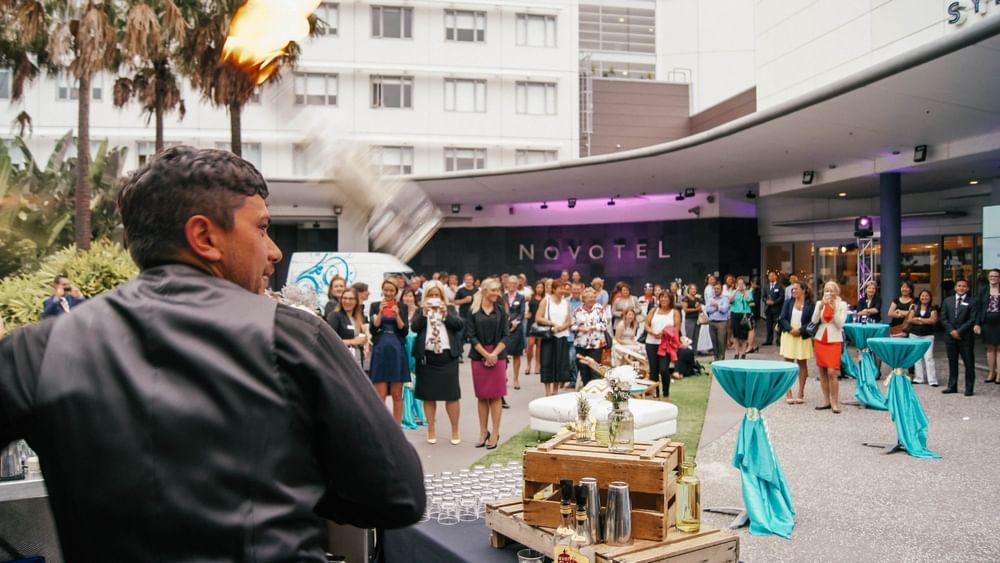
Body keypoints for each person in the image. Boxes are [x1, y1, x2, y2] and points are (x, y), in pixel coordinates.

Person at [0, 147, 424, 561]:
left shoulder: (37, 350)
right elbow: (397, 495)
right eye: (261, 228)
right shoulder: (292, 338)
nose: (274, 250)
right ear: (204, 237)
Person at [410, 282, 463, 445]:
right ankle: (431, 429)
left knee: (452, 396)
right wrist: (424, 314)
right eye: (431, 295)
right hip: (428, 358)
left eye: (437, 295)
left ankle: (455, 429)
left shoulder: (450, 308)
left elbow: (459, 325)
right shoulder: (422, 310)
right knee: (428, 396)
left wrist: (446, 314)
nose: (434, 298)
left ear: (442, 296)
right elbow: (415, 327)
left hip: (447, 356)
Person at [466, 278, 512, 449]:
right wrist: (485, 354)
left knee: (495, 396)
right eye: (493, 290)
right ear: (484, 291)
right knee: (482, 396)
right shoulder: (473, 311)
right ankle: (483, 431)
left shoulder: (501, 311)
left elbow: (506, 335)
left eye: (498, 290)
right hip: (479, 357)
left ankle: (495, 432)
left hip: (498, 356)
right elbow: (471, 336)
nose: (497, 293)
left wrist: (493, 354)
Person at [369, 279, 410, 424]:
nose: (388, 293)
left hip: (397, 350)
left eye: (391, 290)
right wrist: (380, 312)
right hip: (380, 349)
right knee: (380, 394)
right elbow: (373, 329)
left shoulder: (402, 307)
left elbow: (404, 331)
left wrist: (398, 314)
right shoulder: (375, 306)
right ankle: (382, 425)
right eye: (386, 290)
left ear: (396, 292)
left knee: (397, 394)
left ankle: (397, 426)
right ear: (382, 290)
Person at [811, 280, 848, 413]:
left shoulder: (842, 304)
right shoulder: (819, 303)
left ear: (837, 291)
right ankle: (826, 400)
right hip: (820, 338)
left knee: (832, 372)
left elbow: (840, 324)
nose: (829, 293)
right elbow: (814, 320)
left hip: (834, 339)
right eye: (827, 290)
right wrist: (821, 306)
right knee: (822, 371)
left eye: (832, 290)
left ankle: (835, 402)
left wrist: (832, 309)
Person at [779, 281, 814, 404]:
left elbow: (812, 322)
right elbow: (782, 318)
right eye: (792, 289)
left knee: (802, 363)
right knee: (788, 364)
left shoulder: (810, 304)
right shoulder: (788, 303)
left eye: (796, 289)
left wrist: (800, 330)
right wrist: (790, 329)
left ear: (803, 290)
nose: (793, 291)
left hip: (802, 335)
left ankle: (801, 392)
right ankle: (788, 391)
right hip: (789, 333)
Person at [537, 279, 573, 396]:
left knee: (560, 363)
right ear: (553, 289)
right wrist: (552, 324)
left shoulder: (565, 303)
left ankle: (555, 391)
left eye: (564, 288)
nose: (563, 290)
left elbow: (568, 321)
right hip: (549, 336)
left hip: (561, 336)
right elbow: (538, 317)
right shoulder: (546, 301)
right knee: (547, 362)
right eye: (560, 288)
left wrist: (561, 328)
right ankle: (547, 391)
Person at [941, 279, 977, 396]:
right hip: (950, 337)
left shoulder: (972, 301)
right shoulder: (947, 301)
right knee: (952, 362)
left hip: (965, 337)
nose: (961, 288)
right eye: (959, 286)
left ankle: (969, 388)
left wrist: (959, 331)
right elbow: (943, 318)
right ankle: (952, 386)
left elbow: (972, 319)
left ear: (967, 289)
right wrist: (951, 330)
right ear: (955, 288)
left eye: (964, 286)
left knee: (969, 363)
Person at [644, 291, 681, 398]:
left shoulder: (674, 312)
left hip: (666, 344)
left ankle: (666, 395)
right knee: (653, 371)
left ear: (670, 300)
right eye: (662, 297)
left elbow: (677, 329)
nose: (664, 299)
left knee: (664, 370)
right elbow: (646, 324)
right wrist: (652, 332)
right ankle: (656, 394)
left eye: (666, 297)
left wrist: (665, 333)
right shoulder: (653, 310)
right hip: (651, 343)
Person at [573, 288, 608, 385]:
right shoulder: (578, 310)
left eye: (594, 297)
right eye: (590, 297)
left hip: (596, 345)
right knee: (583, 370)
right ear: (584, 299)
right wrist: (580, 328)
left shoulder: (599, 309)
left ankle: (595, 391)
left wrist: (592, 327)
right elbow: (572, 326)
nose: (592, 299)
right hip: (581, 344)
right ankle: (586, 391)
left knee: (594, 370)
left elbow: (605, 325)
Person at [327, 288, 370, 368]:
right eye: (345, 298)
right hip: (341, 361)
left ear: (356, 301)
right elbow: (330, 340)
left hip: (357, 361)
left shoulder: (360, 318)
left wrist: (364, 342)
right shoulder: (335, 316)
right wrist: (352, 341)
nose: (347, 301)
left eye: (351, 299)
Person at [907, 289, 939, 386]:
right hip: (914, 334)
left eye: (926, 296)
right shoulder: (915, 307)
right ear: (919, 297)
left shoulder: (933, 309)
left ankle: (932, 380)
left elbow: (932, 321)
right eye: (922, 295)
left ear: (930, 298)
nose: (924, 297)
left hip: (928, 335)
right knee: (917, 357)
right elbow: (910, 320)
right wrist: (925, 320)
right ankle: (919, 378)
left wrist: (919, 319)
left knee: (929, 357)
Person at [503, 275, 527, 389]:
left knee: (517, 355)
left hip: (516, 329)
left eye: (514, 283)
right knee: (503, 355)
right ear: (506, 284)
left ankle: (516, 378)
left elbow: (522, 313)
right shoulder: (501, 297)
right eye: (510, 283)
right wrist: (507, 322)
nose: (512, 285)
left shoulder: (521, 297)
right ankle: (503, 376)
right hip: (504, 329)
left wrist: (515, 322)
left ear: (517, 285)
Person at [976, 269, 1000, 383]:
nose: (993, 278)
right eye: (991, 276)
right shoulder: (983, 290)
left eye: (995, 276)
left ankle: (999, 374)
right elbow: (979, 308)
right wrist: (977, 324)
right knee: (990, 348)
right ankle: (991, 372)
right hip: (987, 323)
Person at [565, 281, 585, 389]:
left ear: (581, 290)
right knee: (568, 359)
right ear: (571, 290)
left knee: (573, 358)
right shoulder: (565, 302)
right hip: (566, 334)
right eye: (574, 289)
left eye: (578, 290)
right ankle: (572, 380)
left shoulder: (584, 303)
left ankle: (576, 380)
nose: (576, 291)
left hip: (579, 335)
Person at [705, 282, 730, 361]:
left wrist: (717, 305)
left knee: (721, 342)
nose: (716, 290)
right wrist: (717, 307)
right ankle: (716, 359)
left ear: (721, 290)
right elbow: (708, 309)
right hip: (712, 322)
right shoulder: (711, 298)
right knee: (714, 342)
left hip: (721, 323)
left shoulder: (725, 298)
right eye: (715, 289)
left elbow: (724, 309)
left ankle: (721, 359)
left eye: (718, 289)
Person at [525, 280, 546, 376]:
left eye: (541, 287)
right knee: (530, 345)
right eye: (538, 287)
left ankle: (537, 365)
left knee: (539, 346)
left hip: (541, 323)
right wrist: (526, 314)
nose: (540, 289)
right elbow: (524, 306)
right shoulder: (530, 297)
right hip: (531, 323)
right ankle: (528, 364)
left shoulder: (545, 299)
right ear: (535, 288)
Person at [730, 278, 754, 359]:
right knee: (736, 335)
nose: (740, 285)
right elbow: (730, 300)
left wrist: (744, 292)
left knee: (744, 335)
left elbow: (749, 300)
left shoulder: (748, 292)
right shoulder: (734, 292)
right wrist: (736, 291)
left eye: (742, 283)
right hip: (735, 314)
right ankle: (736, 352)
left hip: (745, 315)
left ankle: (743, 353)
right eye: (738, 284)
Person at [762, 271, 784, 345]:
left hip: (777, 309)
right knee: (769, 325)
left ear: (776, 277)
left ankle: (779, 340)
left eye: (772, 276)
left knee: (778, 325)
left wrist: (774, 302)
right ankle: (769, 340)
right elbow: (763, 297)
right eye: (770, 276)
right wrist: (766, 301)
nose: (771, 277)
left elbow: (781, 297)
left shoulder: (780, 286)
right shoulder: (766, 286)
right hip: (768, 309)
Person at [681, 284, 704, 352]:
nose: (694, 290)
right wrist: (695, 309)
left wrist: (699, 308)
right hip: (689, 320)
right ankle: (688, 353)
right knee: (689, 338)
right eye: (692, 289)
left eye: (695, 289)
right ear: (689, 290)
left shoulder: (698, 299)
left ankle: (694, 353)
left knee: (696, 337)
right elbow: (685, 309)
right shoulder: (686, 298)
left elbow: (700, 310)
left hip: (697, 320)